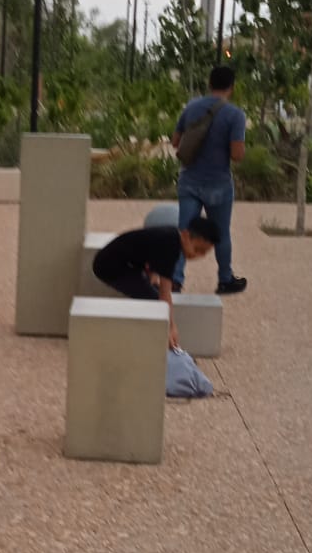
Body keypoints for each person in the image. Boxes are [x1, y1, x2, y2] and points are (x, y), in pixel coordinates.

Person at [170, 64, 247, 294]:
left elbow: (175, 142)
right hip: (219, 185)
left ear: (209, 83)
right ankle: (225, 279)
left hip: (189, 182)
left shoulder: (191, 107)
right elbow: (237, 155)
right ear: (231, 87)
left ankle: (175, 278)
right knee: (221, 233)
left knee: (184, 229)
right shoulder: (235, 115)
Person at [93, 218, 220, 351]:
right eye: (198, 249)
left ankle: (153, 344)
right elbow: (165, 292)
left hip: (120, 263)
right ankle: (161, 350)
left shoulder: (171, 236)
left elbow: (152, 257)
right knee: (156, 306)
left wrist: (152, 280)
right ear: (186, 235)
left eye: (204, 253)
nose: (199, 255)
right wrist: (171, 327)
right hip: (109, 267)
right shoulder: (171, 247)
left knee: (153, 293)